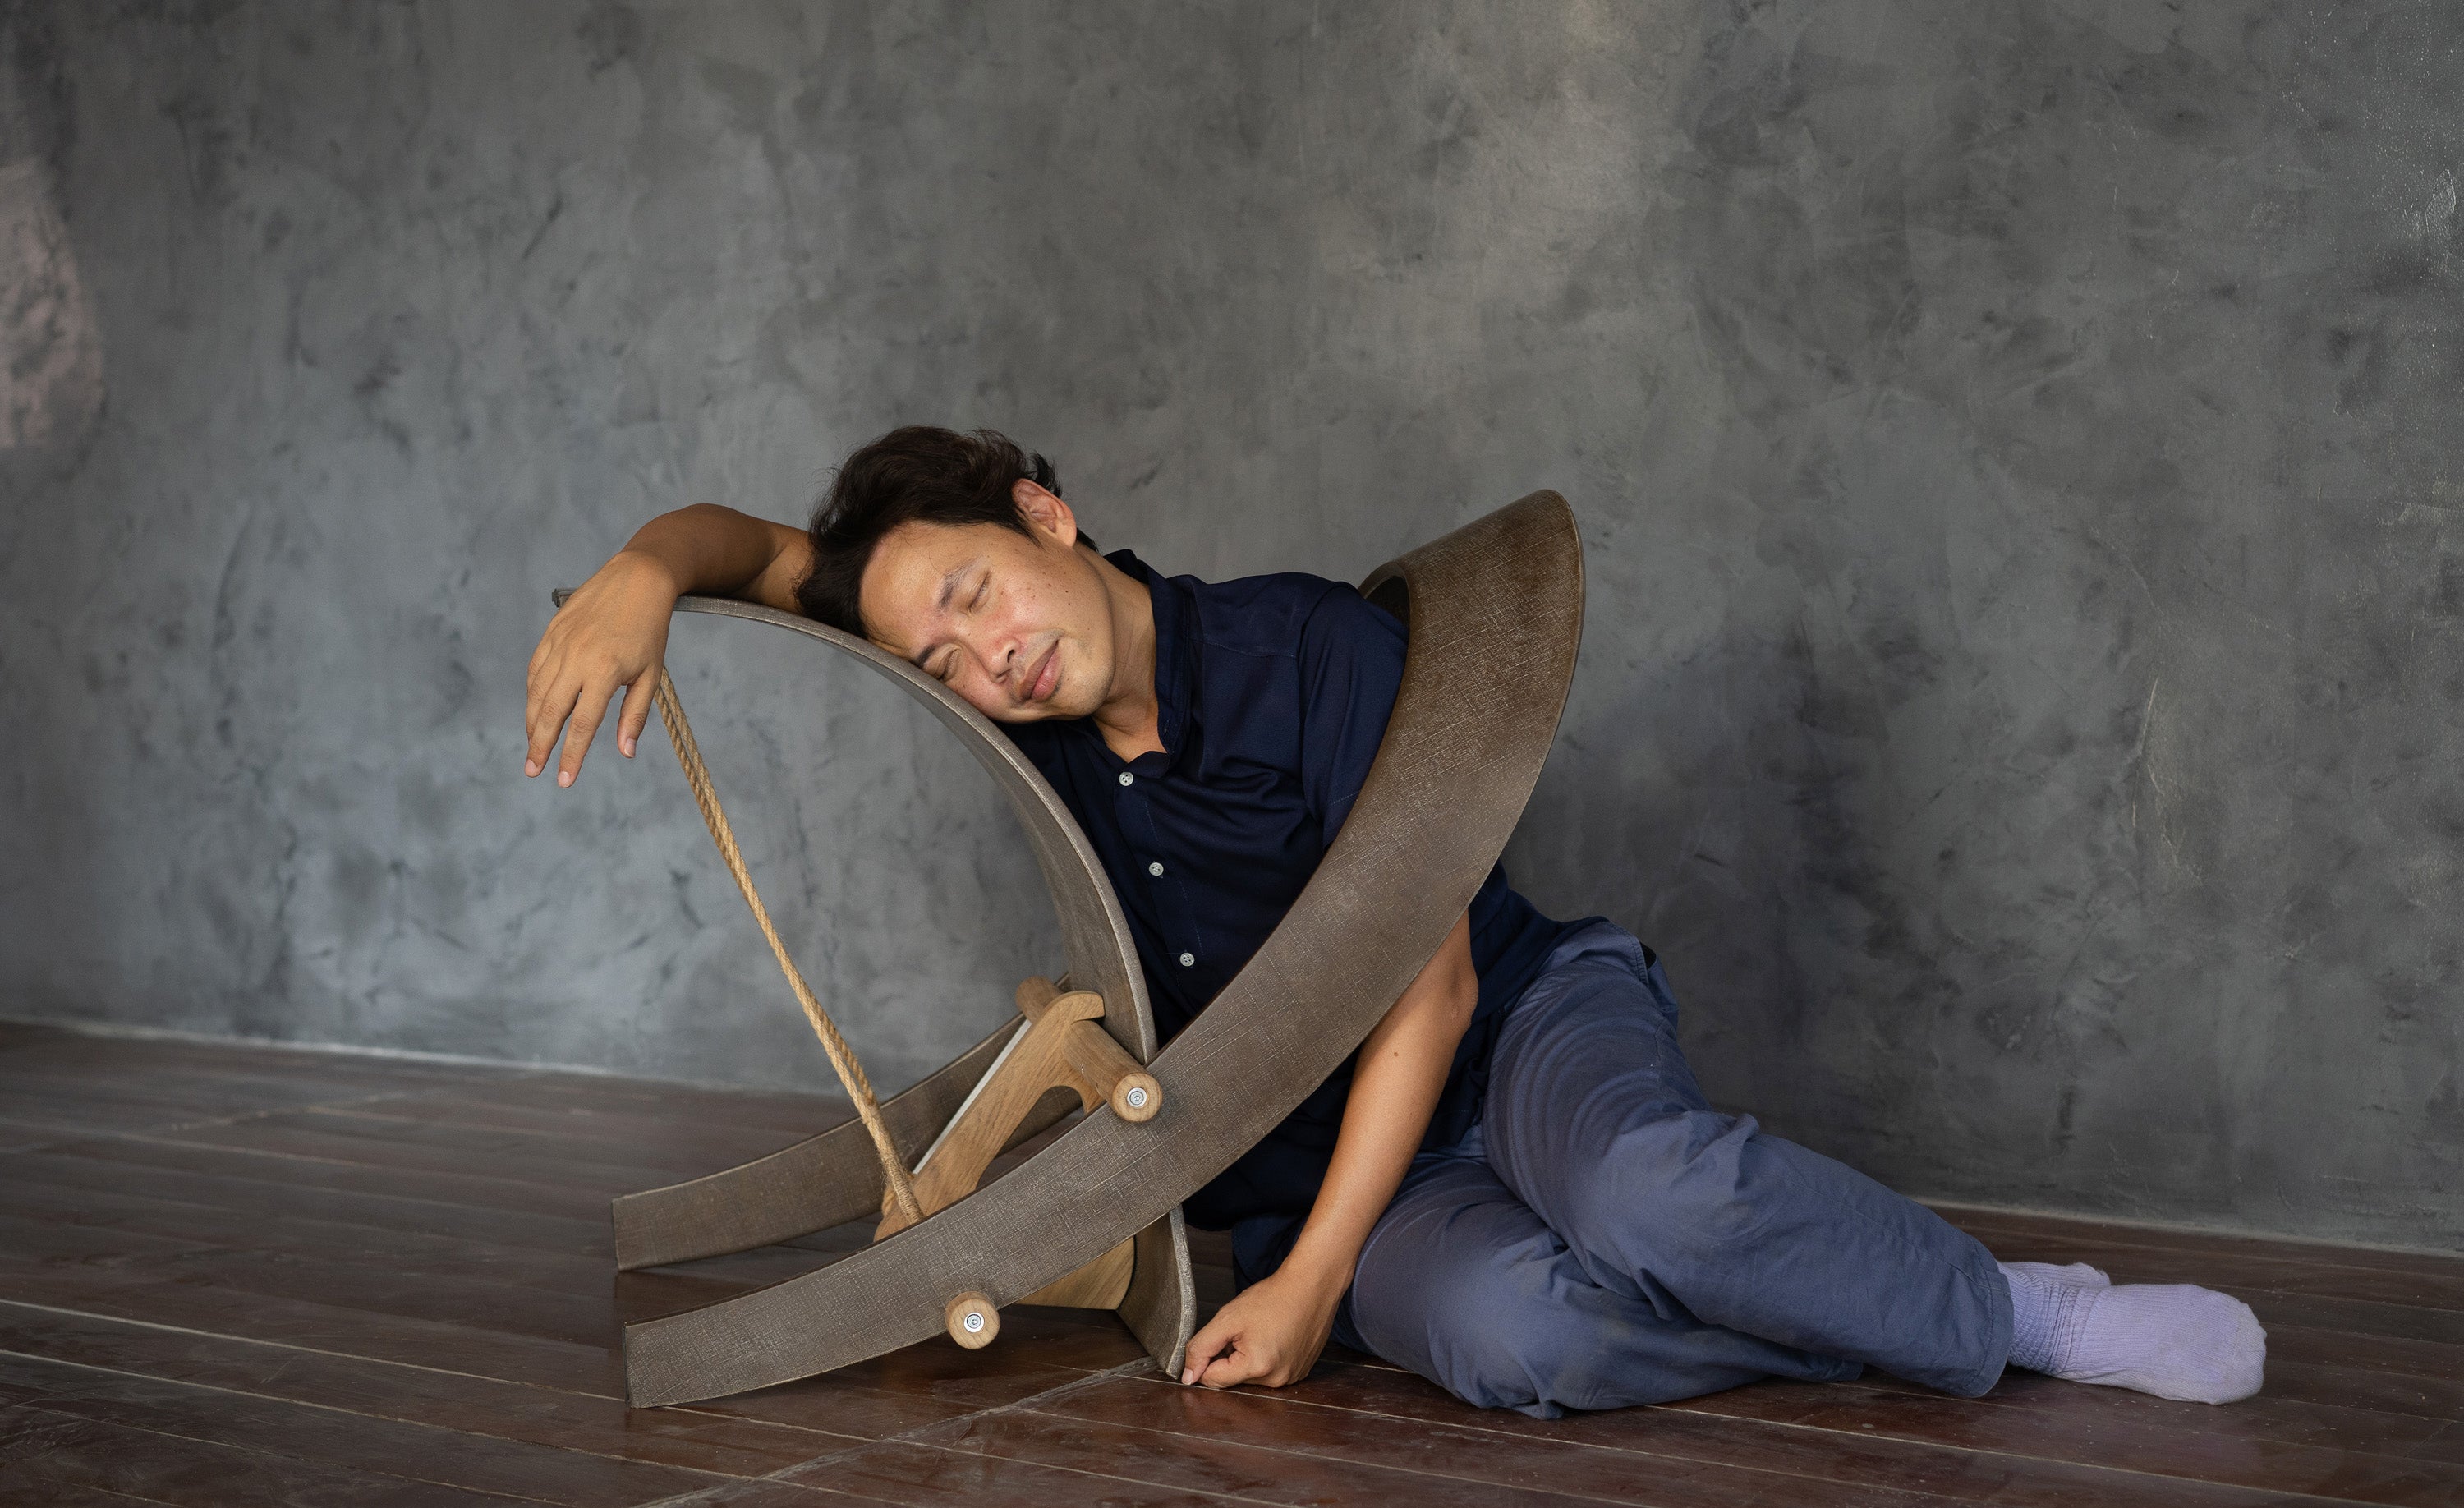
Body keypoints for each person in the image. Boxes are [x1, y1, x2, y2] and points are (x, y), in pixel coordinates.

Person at [524, 426, 2267, 1417]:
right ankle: (1849, 1297)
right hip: (1341, 1154)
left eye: (979, 590)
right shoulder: (1026, 716)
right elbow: (759, 550)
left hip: (1510, 1031)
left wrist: (1307, 1286)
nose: (987, 661)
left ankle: (2015, 1311)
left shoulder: (1307, 653)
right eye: (942, 659)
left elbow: (1418, 986)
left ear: (1043, 511)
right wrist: (637, 572)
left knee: (1647, 1191)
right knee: (1535, 1340)